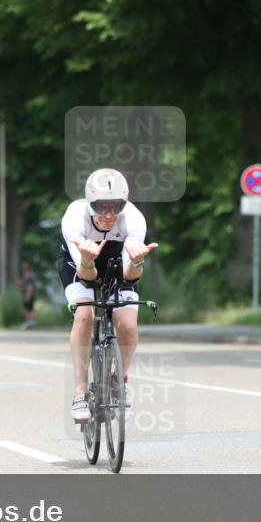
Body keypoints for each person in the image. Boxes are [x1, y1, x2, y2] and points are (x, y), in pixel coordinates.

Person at [59, 168, 157, 423]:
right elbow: (86, 277)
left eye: (116, 206)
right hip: (80, 265)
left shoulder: (134, 221)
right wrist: (88, 261)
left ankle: (118, 380)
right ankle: (80, 392)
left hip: (117, 266)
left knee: (128, 325)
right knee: (84, 316)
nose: (109, 214)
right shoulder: (74, 218)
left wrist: (136, 262)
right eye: (101, 207)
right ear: (90, 204)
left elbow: (130, 276)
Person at [19, 261, 37, 330]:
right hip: (29, 295)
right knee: (30, 309)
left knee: (29, 309)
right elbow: (25, 286)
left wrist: (28, 296)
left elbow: (30, 287)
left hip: (29, 295)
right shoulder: (29, 276)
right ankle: (31, 323)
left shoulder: (28, 276)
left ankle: (31, 323)